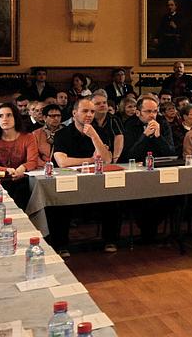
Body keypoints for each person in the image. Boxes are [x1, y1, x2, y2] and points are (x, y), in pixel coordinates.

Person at [50, 97, 113, 256]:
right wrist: (90, 160)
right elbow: (62, 162)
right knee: (60, 203)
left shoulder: (99, 132)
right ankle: (61, 245)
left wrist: (94, 137)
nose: (89, 115)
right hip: (69, 181)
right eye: (85, 111)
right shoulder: (62, 134)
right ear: (74, 113)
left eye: (92, 111)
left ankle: (110, 240)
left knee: (114, 197)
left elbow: (106, 159)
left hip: (96, 181)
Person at [119, 96, 176, 243]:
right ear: (138, 113)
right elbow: (129, 155)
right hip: (136, 175)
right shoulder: (129, 125)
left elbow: (171, 153)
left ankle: (154, 233)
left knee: (173, 197)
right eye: (148, 111)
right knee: (144, 200)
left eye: (155, 111)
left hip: (159, 172)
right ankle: (148, 233)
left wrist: (157, 136)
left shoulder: (162, 123)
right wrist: (145, 136)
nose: (152, 115)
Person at [0, 102, 39, 209]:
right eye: (1, 116)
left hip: (21, 180)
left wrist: (22, 168)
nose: (4, 119)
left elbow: (33, 161)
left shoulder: (28, 137)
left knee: (22, 192)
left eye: (9, 115)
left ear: (16, 117)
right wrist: (6, 170)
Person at [91, 92, 124, 162]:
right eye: (98, 103)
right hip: (92, 157)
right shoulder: (89, 120)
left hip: (113, 158)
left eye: (104, 103)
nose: (102, 105)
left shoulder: (114, 119)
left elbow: (119, 137)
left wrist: (115, 159)